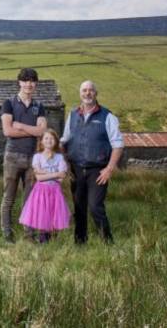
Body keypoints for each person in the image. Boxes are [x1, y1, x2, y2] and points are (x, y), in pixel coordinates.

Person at [61, 80, 124, 244]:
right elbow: (65, 140)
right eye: (84, 90)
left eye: (90, 90)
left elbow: (118, 144)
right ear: (80, 94)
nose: (87, 93)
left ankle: (107, 242)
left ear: (96, 93)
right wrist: (65, 164)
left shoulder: (107, 116)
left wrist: (110, 168)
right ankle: (80, 242)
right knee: (79, 207)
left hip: (98, 170)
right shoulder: (73, 114)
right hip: (76, 168)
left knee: (95, 206)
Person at [0, 68, 47, 243]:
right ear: (19, 82)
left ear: (36, 84)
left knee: (30, 200)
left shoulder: (39, 106)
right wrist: (32, 131)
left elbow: (42, 131)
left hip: (33, 158)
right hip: (12, 156)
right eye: (25, 80)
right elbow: (7, 130)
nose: (29, 84)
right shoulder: (9, 103)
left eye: (32, 81)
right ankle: (7, 234)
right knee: (8, 198)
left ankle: (29, 235)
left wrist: (20, 125)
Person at [19, 129, 71, 243]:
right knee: (43, 215)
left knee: (54, 215)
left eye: (52, 138)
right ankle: (43, 241)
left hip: (55, 191)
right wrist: (56, 173)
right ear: (41, 141)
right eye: (46, 138)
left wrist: (46, 173)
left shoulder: (59, 157)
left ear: (56, 141)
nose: (49, 140)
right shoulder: (37, 157)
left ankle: (53, 241)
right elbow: (39, 178)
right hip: (41, 191)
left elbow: (61, 178)